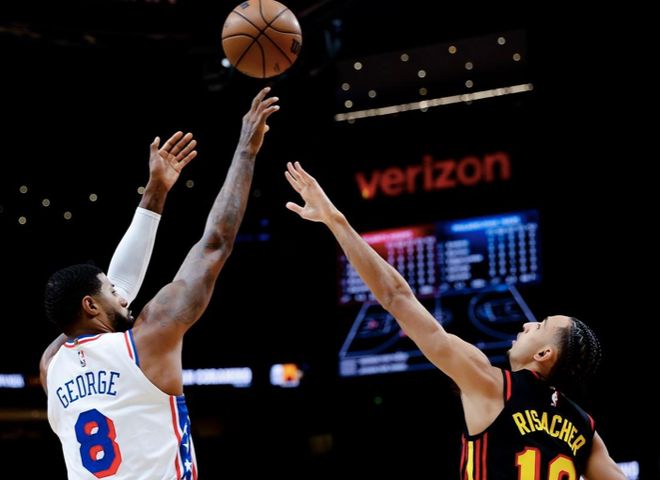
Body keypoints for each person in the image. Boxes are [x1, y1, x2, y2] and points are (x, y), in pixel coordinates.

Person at [284, 161, 626, 480]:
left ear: (544, 354)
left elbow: (395, 297)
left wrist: (336, 220)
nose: (527, 324)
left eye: (540, 325)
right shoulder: (585, 429)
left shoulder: (492, 384)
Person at [40, 86, 279, 480]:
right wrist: (246, 150)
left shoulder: (51, 367)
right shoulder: (147, 341)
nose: (123, 295)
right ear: (89, 306)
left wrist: (156, 191)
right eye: (111, 291)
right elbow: (215, 244)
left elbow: (109, 294)